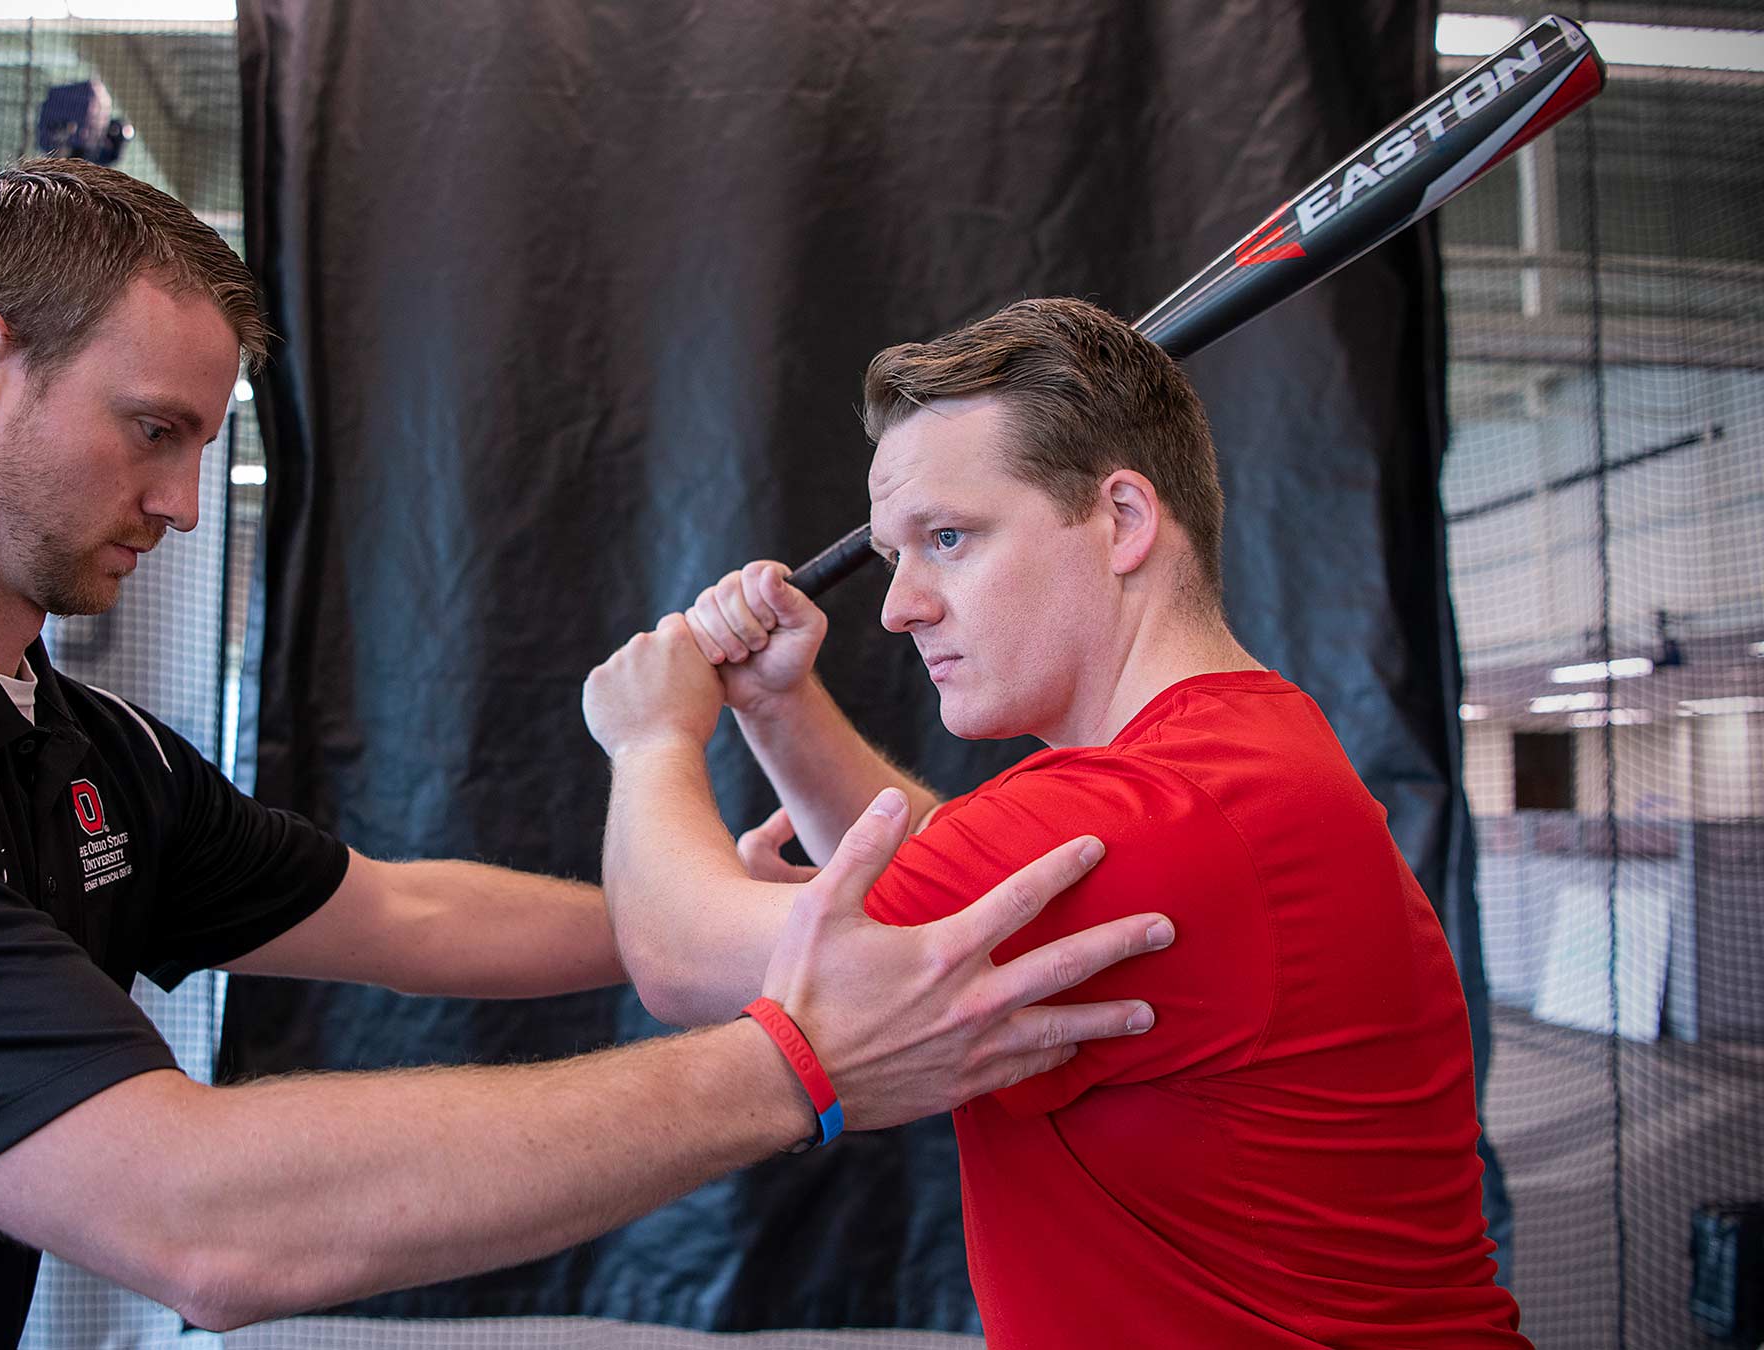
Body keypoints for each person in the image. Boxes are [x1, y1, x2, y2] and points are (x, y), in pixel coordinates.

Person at [0, 164, 1178, 1349]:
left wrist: (714, 935)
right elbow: (199, 1224)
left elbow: (396, 914)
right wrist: (792, 1060)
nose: (184, 504)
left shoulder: (70, 742)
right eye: (154, 434)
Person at [583, 297, 1526, 1347]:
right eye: (895, 557)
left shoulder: (1155, 812)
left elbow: (677, 959)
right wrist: (774, 702)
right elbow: (976, 893)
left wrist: (652, 738)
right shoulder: (1225, 759)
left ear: (1124, 520)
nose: (898, 609)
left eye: (948, 538)